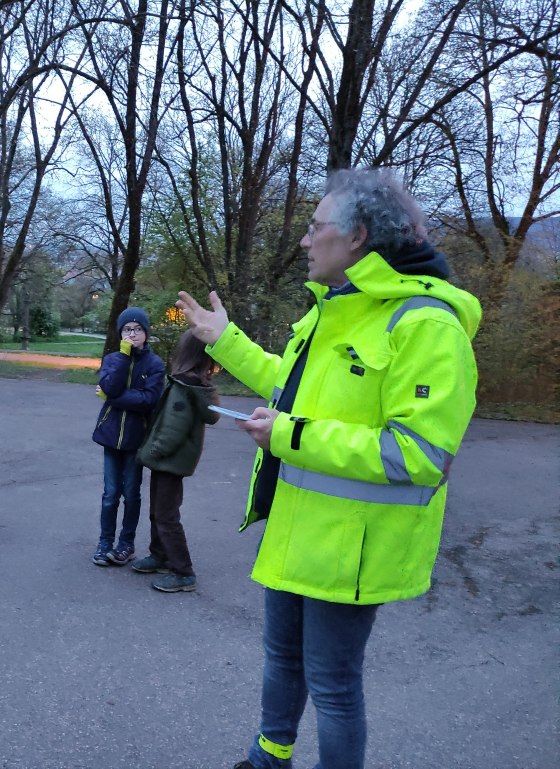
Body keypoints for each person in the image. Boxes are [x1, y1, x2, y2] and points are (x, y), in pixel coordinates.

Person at [176, 168, 481, 769]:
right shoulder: (333, 310)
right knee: (282, 661)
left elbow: (417, 455)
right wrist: (224, 339)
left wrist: (287, 435)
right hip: (299, 529)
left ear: (358, 236)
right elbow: (288, 387)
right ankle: (270, 758)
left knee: (335, 688)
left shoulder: (426, 324)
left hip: (355, 549)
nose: (305, 240)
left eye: (316, 228)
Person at [132, 330, 220, 592]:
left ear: (186, 354)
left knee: (166, 516)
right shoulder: (190, 383)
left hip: (170, 461)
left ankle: (183, 572)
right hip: (170, 463)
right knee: (158, 511)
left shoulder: (184, 387)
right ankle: (159, 555)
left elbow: (173, 429)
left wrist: (149, 453)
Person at [91, 307, 165, 567]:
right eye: (126, 329)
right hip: (111, 436)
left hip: (137, 438)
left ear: (146, 333)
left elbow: (148, 400)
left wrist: (113, 397)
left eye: (137, 329)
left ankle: (126, 544)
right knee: (110, 493)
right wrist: (124, 355)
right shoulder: (113, 359)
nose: (132, 334)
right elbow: (111, 384)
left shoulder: (155, 364)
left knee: (131, 493)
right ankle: (104, 542)